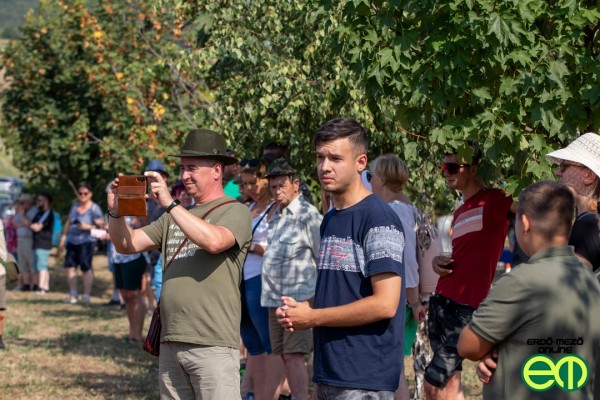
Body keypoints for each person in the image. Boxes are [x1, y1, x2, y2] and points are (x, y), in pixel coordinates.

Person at [107, 128, 252, 399]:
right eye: (182, 168)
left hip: (212, 343)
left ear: (216, 171)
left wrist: (171, 205)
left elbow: (214, 241)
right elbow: (127, 244)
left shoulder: (236, 210)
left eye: (192, 168)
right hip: (171, 340)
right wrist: (115, 212)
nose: (184, 175)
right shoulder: (175, 215)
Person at [277, 117, 406, 398]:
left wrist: (312, 317)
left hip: (364, 378)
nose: (325, 166)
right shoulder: (332, 218)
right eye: (320, 157)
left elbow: (385, 304)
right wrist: (301, 309)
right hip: (330, 371)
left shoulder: (379, 219)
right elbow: (341, 292)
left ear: (361, 162)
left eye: (335, 158)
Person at [458, 180, 600, 399]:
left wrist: (492, 349)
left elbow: (468, 345)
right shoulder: (591, 282)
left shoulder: (519, 282)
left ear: (524, 223)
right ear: (570, 225)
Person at [424, 148, 514, 400]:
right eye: (444, 168)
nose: (447, 173)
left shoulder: (496, 199)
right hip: (440, 301)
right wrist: (437, 263)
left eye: (453, 167)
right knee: (450, 387)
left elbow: (538, 211)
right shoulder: (460, 211)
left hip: (464, 308)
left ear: (474, 169)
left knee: (433, 386)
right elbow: (463, 256)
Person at [261, 158, 322, 400]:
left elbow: (322, 257)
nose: (277, 191)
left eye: (281, 186)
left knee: (295, 355)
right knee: (284, 355)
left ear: (295, 184)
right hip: (274, 299)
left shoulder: (309, 215)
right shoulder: (276, 214)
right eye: (273, 187)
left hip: (299, 299)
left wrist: (316, 302)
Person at [369, 154, 426, 400]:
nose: (368, 181)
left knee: (392, 369)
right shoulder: (408, 208)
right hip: (404, 299)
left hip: (399, 300)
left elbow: (407, 262)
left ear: (382, 179)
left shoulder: (395, 210)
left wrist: (413, 302)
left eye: (370, 176)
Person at [239, 158, 284, 400]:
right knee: (252, 343)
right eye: (245, 184)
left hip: (262, 278)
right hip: (243, 279)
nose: (248, 189)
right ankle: (253, 393)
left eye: (252, 183)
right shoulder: (248, 209)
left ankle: (272, 394)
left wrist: (251, 247)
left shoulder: (276, 208)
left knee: (269, 343)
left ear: (265, 180)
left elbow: (279, 249)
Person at [546, 132, 600, 271]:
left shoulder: (588, 225)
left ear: (589, 175)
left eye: (564, 166)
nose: (558, 172)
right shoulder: (594, 219)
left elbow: (572, 280)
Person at [59, 183, 104, 304]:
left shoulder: (95, 208)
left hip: (87, 241)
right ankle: (73, 293)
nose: (82, 195)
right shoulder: (75, 206)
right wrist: (63, 238)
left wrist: (86, 227)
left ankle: (86, 295)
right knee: (69, 267)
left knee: (86, 268)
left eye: (85, 193)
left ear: (90, 194)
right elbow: (68, 222)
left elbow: (102, 227)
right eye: (80, 193)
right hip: (72, 240)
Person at [30, 193, 54, 295]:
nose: (39, 203)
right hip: (37, 242)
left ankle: (41, 287)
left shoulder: (48, 213)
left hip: (43, 243)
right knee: (38, 265)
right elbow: (32, 224)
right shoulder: (39, 212)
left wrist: (30, 224)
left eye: (41, 200)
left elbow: (37, 227)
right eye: (38, 200)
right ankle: (42, 286)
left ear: (46, 201)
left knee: (41, 266)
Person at [14, 194, 37, 291]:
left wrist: (23, 216)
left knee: (31, 263)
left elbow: (29, 224)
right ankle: (26, 284)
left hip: (29, 239)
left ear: (29, 202)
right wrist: (23, 222)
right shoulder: (20, 211)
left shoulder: (34, 211)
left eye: (22, 202)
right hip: (20, 239)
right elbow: (15, 223)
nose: (21, 205)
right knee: (22, 263)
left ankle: (34, 284)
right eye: (20, 202)